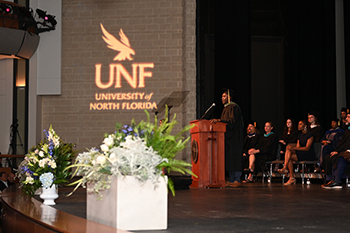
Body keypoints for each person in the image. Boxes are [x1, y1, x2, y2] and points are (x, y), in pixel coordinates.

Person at [211, 90, 244, 188]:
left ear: (230, 98)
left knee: (235, 158)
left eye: (224, 96)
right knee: (230, 158)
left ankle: (237, 179)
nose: (222, 98)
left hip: (235, 138)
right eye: (222, 96)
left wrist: (220, 121)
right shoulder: (226, 108)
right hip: (229, 137)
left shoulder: (233, 107)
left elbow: (231, 122)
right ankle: (231, 179)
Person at [277, 120, 315, 185]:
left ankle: (287, 170)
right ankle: (289, 174)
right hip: (301, 153)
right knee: (288, 151)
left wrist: (293, 148)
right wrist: (290, 148)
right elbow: (298, 147)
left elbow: (307, 148)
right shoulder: (299, 135)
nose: (298, 126)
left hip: (308, 154)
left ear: (305, 126)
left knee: (289, 155)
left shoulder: (310, 134)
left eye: (300, 124)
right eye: (298, 124)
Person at [322, 113, 350, 188]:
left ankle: (337, 181)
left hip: (347, 152)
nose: (346, 119)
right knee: (330, 156)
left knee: (341, 156)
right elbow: (341, 143)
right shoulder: (347, 131)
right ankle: (331, 180)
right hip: (344, 151)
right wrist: (337, 151)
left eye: (348, 117)